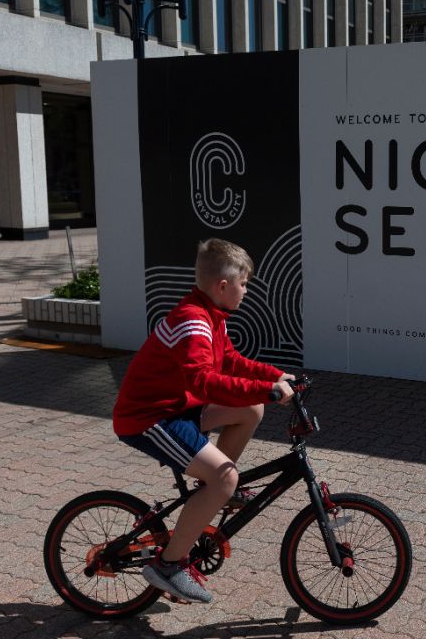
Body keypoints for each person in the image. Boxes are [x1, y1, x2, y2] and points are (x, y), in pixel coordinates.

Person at [112, 238, 294, 604]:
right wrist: (266, 391)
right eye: (244, 284)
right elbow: (204, 382)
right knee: (225, 477)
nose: (247, 291)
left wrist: (277, 377)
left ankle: (211, 492)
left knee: (250, 412)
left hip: (176, 407)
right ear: (222, 286)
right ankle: (168, 565)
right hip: (148, 417)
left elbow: (231, 362)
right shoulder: (193, 322)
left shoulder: (212, 316)